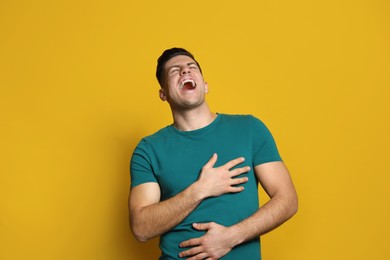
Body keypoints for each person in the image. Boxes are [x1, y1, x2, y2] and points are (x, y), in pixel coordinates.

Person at [129, 47, 298, 259]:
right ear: (163, 94)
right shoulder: (148, 149)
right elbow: (141, 228)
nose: (185, 71)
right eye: (175, 70)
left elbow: (288, 200)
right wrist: (200, 190)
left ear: (205, 85)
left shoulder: (249, 129)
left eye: (192, 68)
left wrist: (231, 237)